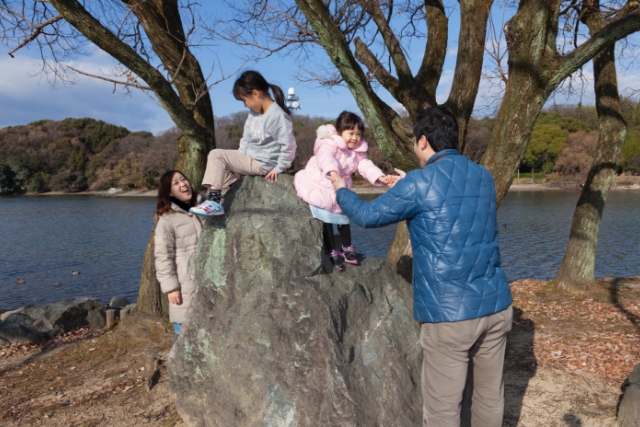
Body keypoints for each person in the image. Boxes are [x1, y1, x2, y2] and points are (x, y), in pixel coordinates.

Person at [332, 106, 513, 426]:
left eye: (415, 141)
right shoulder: (483, 175)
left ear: (424, 141)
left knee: (443, 409)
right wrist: (407, 186)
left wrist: (341, 190)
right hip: (496, 305)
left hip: (450, 316)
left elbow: (367, 216)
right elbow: (453, 200)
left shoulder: (418, 183)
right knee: (489, 397)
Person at [294, 111, 393, 271]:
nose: (355, 138)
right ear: (340, 132)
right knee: (325, 217)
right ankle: (330, 249)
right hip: (321, 182)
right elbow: (325, 158)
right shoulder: (329, 143)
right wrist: (332, 172)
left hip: (339, 185)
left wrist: (380, 177)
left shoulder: (358, 152)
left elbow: (365, 166)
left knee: (344, 216)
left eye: (359, 134)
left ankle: (346, 247)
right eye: (351, 133)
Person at [190, 70, 297, 217]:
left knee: (216, 155)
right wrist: (239, 165)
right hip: (251, 160)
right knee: (218, 168)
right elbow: (245, 140)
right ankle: (233, 188)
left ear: (256, 93)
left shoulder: (277, 116)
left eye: (245, 100)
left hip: (263, 163)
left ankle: (214, 202)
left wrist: (279, 168)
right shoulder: (254, 114)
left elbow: (289, 146)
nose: (246, 105)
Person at [154, 170, 204, 337]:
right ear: (169, 192)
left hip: (209, 280)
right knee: (184, 336)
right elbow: (162, 256)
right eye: (176, 183)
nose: (183, 184)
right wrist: (171, 288)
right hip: (184, 285)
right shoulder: (167, 219)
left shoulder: (205, 207)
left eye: (184, 179)